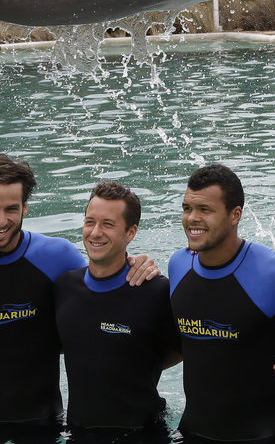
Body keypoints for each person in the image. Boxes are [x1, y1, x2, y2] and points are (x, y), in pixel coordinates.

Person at [0, 154, 158, 441]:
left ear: (25, 208)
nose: (1, 220)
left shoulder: (58, 256)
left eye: (11, 209)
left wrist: (138, 264)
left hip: (48, 425)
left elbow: (102, 293)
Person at [169, 164, 275, 444]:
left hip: (263, 435)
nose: (192, 219)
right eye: (187, 208)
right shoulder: (178, 265)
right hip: (192, 432)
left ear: (235, 215)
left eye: (205, 210)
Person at [54, 181, 179, 443]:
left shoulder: (156, 291)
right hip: (78, 432)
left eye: (108, 224)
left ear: (131, 232)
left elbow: (189, 348)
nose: (95, 232)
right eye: (90, 222)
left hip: (143, 434)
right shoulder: (65, 287)